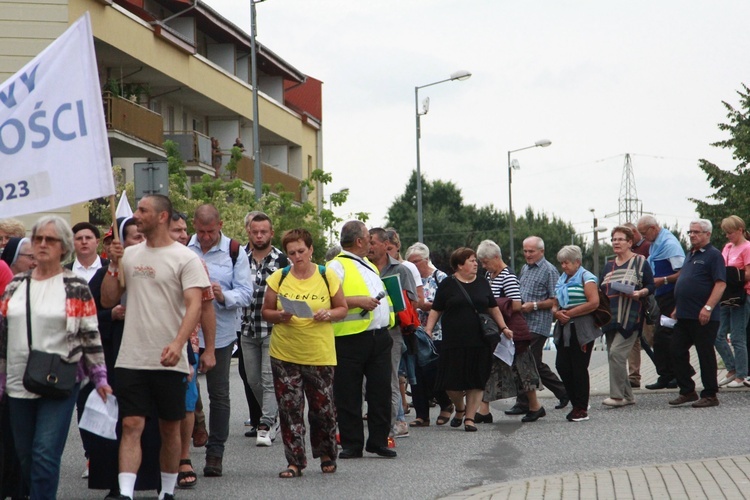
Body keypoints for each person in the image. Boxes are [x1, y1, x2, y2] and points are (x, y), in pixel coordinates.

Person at [102, 194, 210, 500]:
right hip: (132, 356)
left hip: (169, 357)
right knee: (132, 423)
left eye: (143, 210)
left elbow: (195, 305)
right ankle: (126, 492)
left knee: (168, 428)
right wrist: (113, 265)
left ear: (162, 217)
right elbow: (109, 299)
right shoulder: (131, 254)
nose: (136, 215)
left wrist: (179, 344)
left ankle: (167, 490)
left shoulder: (184, 257)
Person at [0, 215, 112, 499]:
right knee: (25, 457)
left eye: (50, 239)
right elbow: (2, 337)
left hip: (60, 379)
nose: (42, 244)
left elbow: (90, 334)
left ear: (63, 247)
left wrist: (99, 377)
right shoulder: (16, 286)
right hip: (17, 381)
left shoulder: (75, 286)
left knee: (44, 455)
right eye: (38, 238)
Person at [261, 228, 347, 478]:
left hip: (319, 353)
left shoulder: (326, 275)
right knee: (290, 409)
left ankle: (327, 454)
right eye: (291, 253)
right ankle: (295, 462)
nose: (297, 257)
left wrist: (328, 313)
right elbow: (266, 311)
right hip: (285, 353)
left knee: (323, 410)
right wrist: (280, 315)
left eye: (301, 251)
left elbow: (341, 308)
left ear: (310, 250)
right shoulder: (279, 277)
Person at [86, 217, 162, 499]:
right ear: (121, 242)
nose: (139, 243)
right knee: (120, 422)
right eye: (133, 237)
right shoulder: (105, 273)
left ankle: (157, 480)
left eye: (143, 237)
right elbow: (89, 312)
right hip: (115, 354)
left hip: (153, 354)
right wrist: (111, 315)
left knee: (152, 420)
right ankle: (117, 483)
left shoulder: (159, 269)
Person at [187, 204, 253, 477]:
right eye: (200, 231)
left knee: (219, 393)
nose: (204, 237)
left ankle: (215, 452)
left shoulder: (234, 251)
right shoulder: (183, 248)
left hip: (221, 333)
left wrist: (224, 296)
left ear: (220, 225)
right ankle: (197, 421)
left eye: (210, 232)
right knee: (187, 390)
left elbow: (246, 293)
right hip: (186, 331)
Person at [327, 221, 395, 459]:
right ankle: (352, 444)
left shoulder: (368, 265)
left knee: (380, 392)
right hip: (350, 338)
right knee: (348, 394)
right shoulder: (336, 266)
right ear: (358, 241)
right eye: (368, 237)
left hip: (378, 337)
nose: (371, 241)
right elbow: (327, 297)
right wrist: (358, 301)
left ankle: (378, 440)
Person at [425, 247, 511, 432]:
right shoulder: (448, 284)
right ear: (459, 265)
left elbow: (493, 307)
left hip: (480, 340)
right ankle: (460, 407)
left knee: (476, 379)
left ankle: (470, 418)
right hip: (453, 340)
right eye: (471, 261)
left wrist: (503, 327)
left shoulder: (482, 282)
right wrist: (429, 329)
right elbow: (436, 309)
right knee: (451, 383)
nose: (476, 264)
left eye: (475, 260)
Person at [168, 211, 217, 490]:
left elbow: (207, 306)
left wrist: (209, 349)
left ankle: (183, 457)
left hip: (188, 344)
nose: (183, 235)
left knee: (187, 403)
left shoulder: (194, 262)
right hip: (147, 342)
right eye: (177, 230)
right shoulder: (141, 257)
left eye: (185, 230)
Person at [476, 240, 544, 423]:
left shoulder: (507, 276)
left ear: (496, 257)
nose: (483, 266)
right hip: (499, 331)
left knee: (522, 368)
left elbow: (516, 304)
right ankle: (484, 409)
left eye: (486, 261)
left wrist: (491, 305)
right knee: (492, 368)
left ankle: (535, 406)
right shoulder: (490, 275)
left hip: (513, 331)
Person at [504, 236, 569, 417]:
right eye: (525, 251)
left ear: (542, 251)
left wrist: (533, 305)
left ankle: (555, 394)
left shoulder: (549, 270)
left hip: (538, 323)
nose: (527, 254)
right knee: (529, 362)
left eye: (531, 251)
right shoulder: (525, 268)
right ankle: (528, 400)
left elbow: (556, 299)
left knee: (528, 361)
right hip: (522, 323)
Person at [240, 212, 288, 446]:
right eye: (255, 231)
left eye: (264, 232)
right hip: (247, 328)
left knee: (269, 379)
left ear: (271, 233)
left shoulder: (282, 260)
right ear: (248, 231)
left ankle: (266, 423)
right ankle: (274, 415)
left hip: (273, 328)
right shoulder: (239, 256)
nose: (259, 236)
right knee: (253, 380)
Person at [669, 219, 726, 408]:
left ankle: (710, 394)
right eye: (690, 232)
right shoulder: (690, 254)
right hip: (684, 314)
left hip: (703, 315)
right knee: (675, 350)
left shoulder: (713, 255)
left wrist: (708, 307)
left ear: (707, 234)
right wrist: (678, 306)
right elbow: (686, 280)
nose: (692, 235)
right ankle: (687, 390)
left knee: (705, 354)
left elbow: (720, 284)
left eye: (697, 232)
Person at [368, 228, 417, 439]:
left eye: (372, 242)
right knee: (366, 382)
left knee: (390, 380)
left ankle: (388, 429)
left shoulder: (401, 269)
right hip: (366, 330)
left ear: (385, 244)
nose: (368, 246)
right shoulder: (363, 268)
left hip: (392, 331)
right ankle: (379, 422)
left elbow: (412, 302)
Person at [599, 226, 654, 407]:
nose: (616, 242)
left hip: (631, 317)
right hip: (610, 317)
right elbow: (602, 289)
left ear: (630, 242)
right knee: (614, 356)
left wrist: (640, 293)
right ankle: (629, 397)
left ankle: (616, 396)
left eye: (620, 239)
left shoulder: (640, 262)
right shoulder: (608, 265)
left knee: (616, 353)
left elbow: (650, 286)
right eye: (614, 239)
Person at [404, 243, 453, 427]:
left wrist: (428, 305)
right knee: (415, 373)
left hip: (437, 333)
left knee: (432, 371)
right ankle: (421, 414)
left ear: (426, 260)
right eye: (410, 263)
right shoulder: (409, 279)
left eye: (416, 262)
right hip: (414, 331)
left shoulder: (440, 278)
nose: (413, 266)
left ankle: (445, 403)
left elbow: (449, 303)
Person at [552, 245, 602, 422]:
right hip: (564, 326)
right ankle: (576, 402)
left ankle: (581, 408)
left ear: (577, 262)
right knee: (562, 366)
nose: (563, 266)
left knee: (578, 368)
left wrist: (569, 314)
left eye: (566, 263)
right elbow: (555, 301)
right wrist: (556, 312)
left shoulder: (586, 278)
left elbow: (593, 303)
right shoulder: (563, 278)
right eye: (561, 263)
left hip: (582, 327)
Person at [637, 215, 685, 390]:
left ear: (653, 228)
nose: (643, 237)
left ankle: (676, 374)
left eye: (644, 233)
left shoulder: (669, 245)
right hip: (661, 295)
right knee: (660, 337)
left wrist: (662, 280)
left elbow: (681, 272)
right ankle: (667, 374)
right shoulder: (656, 244)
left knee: (665, 336)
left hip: (671, 295)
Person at [714, 215, 750, 388]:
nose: (728, 236)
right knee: (717, 334)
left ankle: (742, 374)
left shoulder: (747, 247)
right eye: (726, 233)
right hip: (726, 294)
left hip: (742, 294)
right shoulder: (727, 247)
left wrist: (734, 275)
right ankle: (732, 368)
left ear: (740, 230)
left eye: (730, 233)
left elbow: (748, 273)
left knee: (737, 336)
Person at [623, 222, 652, 389]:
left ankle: (667, 371)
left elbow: (648, 277)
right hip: (627, 302)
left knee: (647, 338)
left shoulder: (646, 248)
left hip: (643, 300)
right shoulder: (626, 254)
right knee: (635, 339)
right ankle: (633, 376)